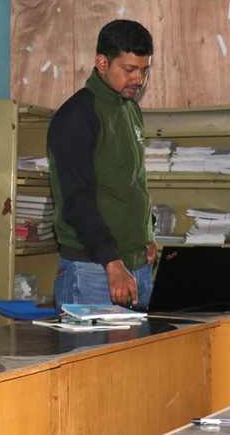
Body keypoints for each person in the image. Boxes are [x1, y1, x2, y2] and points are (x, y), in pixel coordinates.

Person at [48, 19, 158, 310]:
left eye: (144, 70)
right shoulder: (76, 116)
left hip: (137, 265)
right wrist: (112, 262)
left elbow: (133, 182)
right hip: (94, 270)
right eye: (129, 70)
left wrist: (148, 234)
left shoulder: (131, 110)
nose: (138, 79)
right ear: (102, 63)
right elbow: (77, 199)